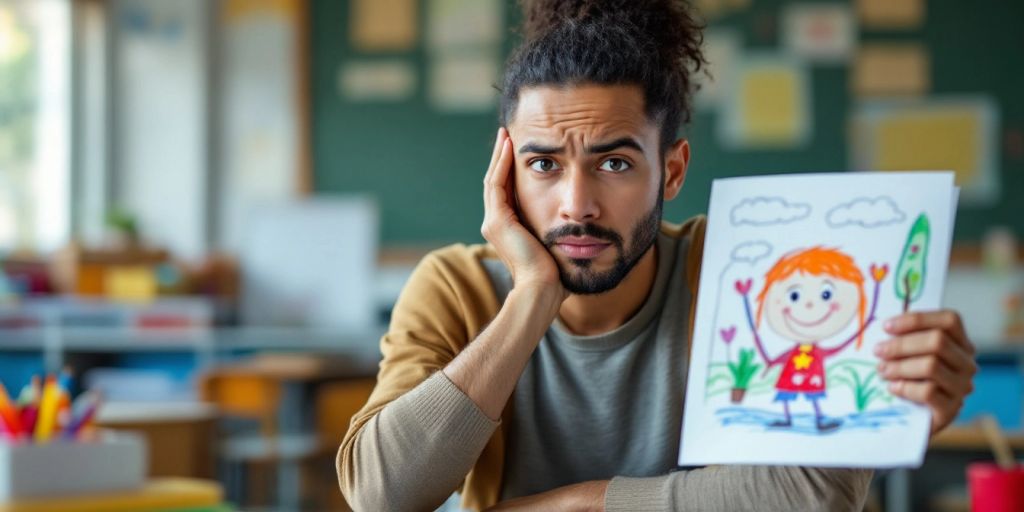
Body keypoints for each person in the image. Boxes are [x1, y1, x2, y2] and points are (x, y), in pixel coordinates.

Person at [336, 1, 977, 510]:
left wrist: (577, 508)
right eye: (544, 164)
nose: (576, 204)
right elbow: (381, 494)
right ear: (504, 174)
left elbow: (808, 496)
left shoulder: (736, 268)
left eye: (614, 162)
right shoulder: (456, 286)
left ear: (671, 171)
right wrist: (531, 296)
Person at [739, 247, 885, 431]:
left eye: (826, 294)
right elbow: (780, 358)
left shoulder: (817, 351)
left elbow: (840, 347)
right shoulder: (797, 351)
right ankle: (788, 419)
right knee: (786, 396)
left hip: (810, 378)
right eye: (794, 296)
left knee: (813, 396)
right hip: (790, 377)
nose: (809, 305)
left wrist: (867, 322)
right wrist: (770, 361)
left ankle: (818, 420)